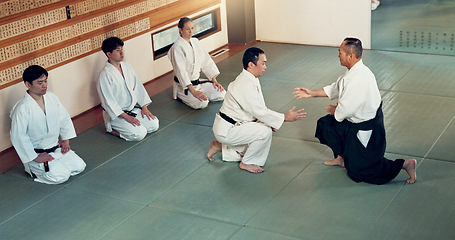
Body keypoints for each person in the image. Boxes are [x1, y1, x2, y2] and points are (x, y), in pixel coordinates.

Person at [293, 37, 416, 185]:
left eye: (340, 53)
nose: (338, 55)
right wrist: (311, 93)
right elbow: (335, 88)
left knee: (360, 171)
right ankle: (341, 158)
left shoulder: (358, 78)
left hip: (367, 130)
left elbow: (345, 110)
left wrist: (336, 110)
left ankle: (404, 164)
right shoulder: (353, 72)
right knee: (325, 125)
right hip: (354, 123)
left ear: (350, 56)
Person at [206, 47, 306, 173]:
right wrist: (285, 117)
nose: (265, 67)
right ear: (251, 65)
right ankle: (247, 163)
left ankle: (220, 147)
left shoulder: (251, 79)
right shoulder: (244, 83)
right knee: (264, 133)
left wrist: (268, 122)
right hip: (228, 129)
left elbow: (258, 109)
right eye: (263, 63)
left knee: (262, 132)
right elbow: (259, 111)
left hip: (235, 124)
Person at [10, 65, 86, 184]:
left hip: (56, 149)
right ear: (28, 84)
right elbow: (18, 136)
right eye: (40, 82)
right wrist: (35, 157)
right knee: (61, 176)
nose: (44, 85)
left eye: (45, 81)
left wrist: (65, 141)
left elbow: (64, 118)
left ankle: (56, 164)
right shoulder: (22, 108)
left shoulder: (51, 98)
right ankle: (31, 168)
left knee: (80, 166)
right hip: (37, 153)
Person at [98, 37, 159, 141]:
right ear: (109, 54)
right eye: (118, 50)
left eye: (122, 49)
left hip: (133, 109)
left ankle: (131, 124)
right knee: (139, 134)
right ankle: (113, 130)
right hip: (117, 115)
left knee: (154, 124)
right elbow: (109, 102)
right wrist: (127, 117)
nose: (122, 53)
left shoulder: (127, 67)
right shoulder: (104, 76)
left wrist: (144, 108)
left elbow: (138, 87)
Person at [168, 17, 225, 109]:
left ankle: (202, 94)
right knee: (203, 103)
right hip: (185, 87)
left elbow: (206, 61)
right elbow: (181, 71)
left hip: (199, 83)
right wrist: (193, 91)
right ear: (180, 30)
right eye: (187, 29)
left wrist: (215, 81)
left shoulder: (195, 42)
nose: (191, 32)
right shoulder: (177, 47)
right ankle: (181, 95)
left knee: (222, 93)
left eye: (192, 28)